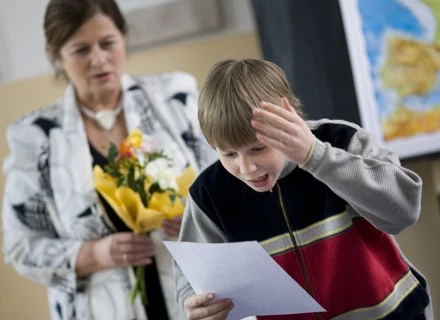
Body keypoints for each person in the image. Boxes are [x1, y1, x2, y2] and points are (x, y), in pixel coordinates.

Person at [2, 0, 215, 319]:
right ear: (57, 56)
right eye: (81, 50)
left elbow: (229, 189)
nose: (99, 59)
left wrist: (196, 219)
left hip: (197, 302)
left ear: (123, 38)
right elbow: (20, 248)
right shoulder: (35, 137)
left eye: (107, 43)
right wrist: (93, 254)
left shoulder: (175, 97)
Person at [175, 59, 433, 320]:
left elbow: (404, 211)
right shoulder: (209, 194)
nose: (246, 168)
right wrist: (196, 304)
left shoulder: (341, 141)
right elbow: (191, 280)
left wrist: (316, 156)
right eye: (228, 153)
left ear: (290, 117)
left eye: (258, 148)